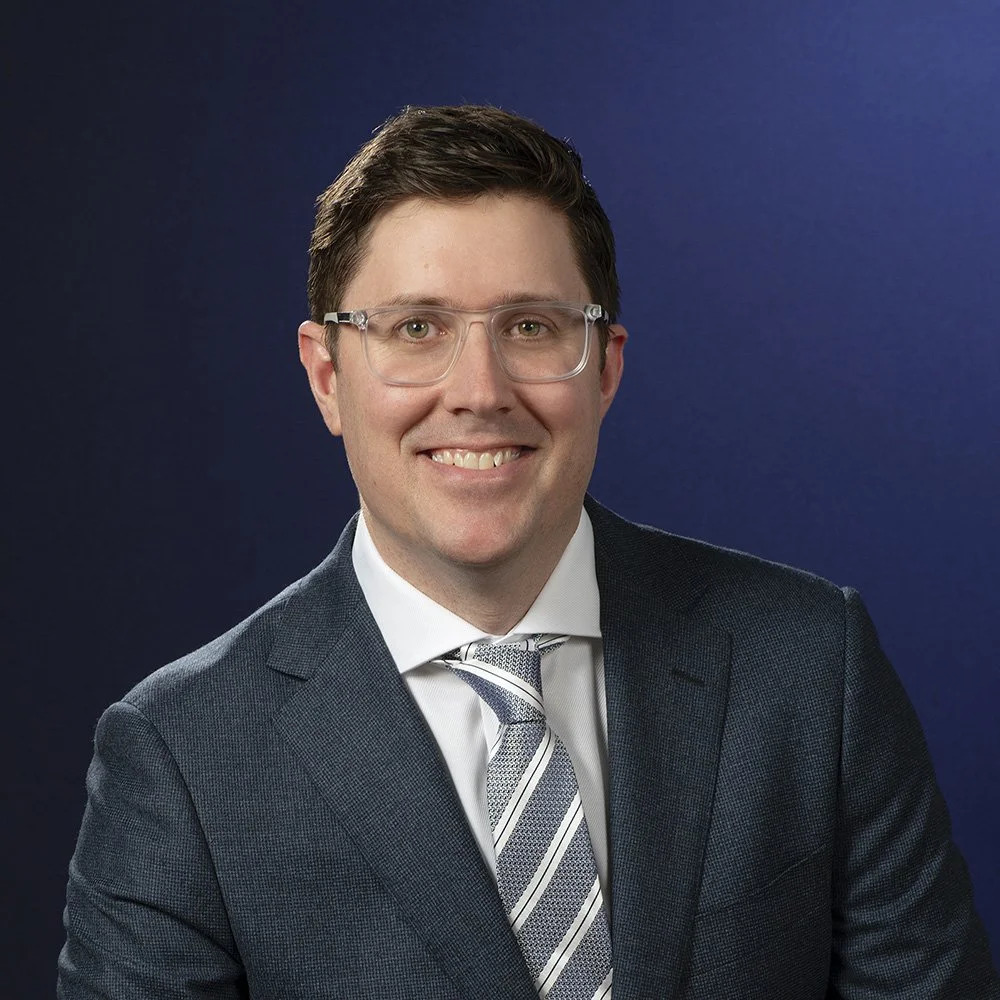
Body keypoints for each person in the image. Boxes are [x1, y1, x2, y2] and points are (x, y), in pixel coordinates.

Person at [59, 104, 998, 999]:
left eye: (532, 328)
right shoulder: (182, 756)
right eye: (415, 329)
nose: (479, 390)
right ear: (326, 376)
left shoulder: (807, 664)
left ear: (608, 368)